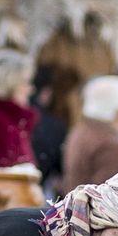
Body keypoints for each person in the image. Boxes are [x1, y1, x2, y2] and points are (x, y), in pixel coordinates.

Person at [61, 75, 118, 192]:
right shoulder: (107, 142)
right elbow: (113, 191)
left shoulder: (82, 130)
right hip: (97, 208)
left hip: (79, 205)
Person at [29, 65, 69, 196]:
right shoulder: (55, 125)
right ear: (46, 91)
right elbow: (60, 169)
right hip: (37, 188)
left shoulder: (9, 118)